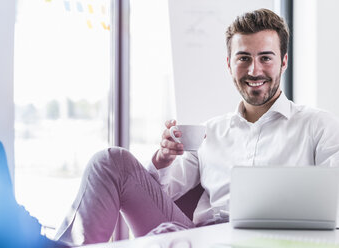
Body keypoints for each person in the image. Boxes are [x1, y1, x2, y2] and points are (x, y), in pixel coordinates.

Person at [55, 8, 339, 246]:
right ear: (229, 64)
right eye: (243, 58)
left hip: (278, 242)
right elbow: (163, 195)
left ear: (283, 62)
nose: (254, 70)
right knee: (109, 161)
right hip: (201, 239)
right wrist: (163, 159)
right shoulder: (210, 132)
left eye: (266, 57)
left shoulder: (318, 126)